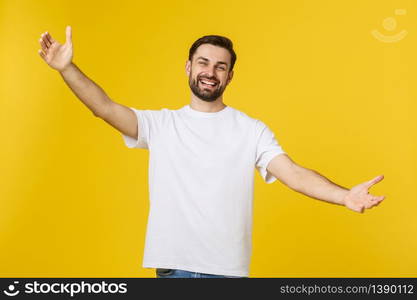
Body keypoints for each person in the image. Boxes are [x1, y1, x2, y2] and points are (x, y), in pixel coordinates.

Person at [38, 26, 386, 278]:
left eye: (220, 66)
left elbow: (292, 173)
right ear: (188, 67)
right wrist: (67, 68)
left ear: (230, 76)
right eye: (203, 62)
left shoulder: (250, 129)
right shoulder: (161, 125)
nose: (210, 72)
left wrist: (344, 196)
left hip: (228, 273)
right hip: (174, 269)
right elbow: (104, 107)